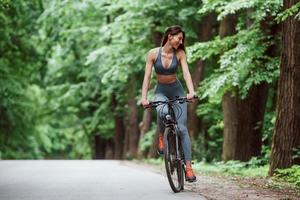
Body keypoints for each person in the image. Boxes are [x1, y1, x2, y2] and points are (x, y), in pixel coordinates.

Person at [140, 25, 197, 182]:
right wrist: (144, 97)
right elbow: (147, 77)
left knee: (183, 129)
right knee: (162, 112)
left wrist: (191, 92)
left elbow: (186, 73)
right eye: (179, 38)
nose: (181, 41)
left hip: (177, 90)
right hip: (161, 91)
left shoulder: (180, 54)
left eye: (182, 39)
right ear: (169, 36)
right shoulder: (153, 53)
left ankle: (189, 169)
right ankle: (161, 135)